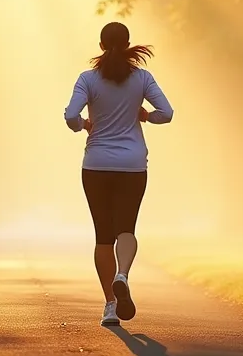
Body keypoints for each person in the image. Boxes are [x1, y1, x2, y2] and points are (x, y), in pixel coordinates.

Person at [63, 22, 173, 326]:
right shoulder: (142, 78)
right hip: (133, 165)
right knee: (126, 228)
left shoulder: (88, 79)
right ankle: (122, 274)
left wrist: (84, 125)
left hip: (96, 164)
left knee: (103, 235)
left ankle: (110, 305)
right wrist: (146, 116)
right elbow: (167, 113)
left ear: (101, 45)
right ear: (128, 45)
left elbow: (71, 116)